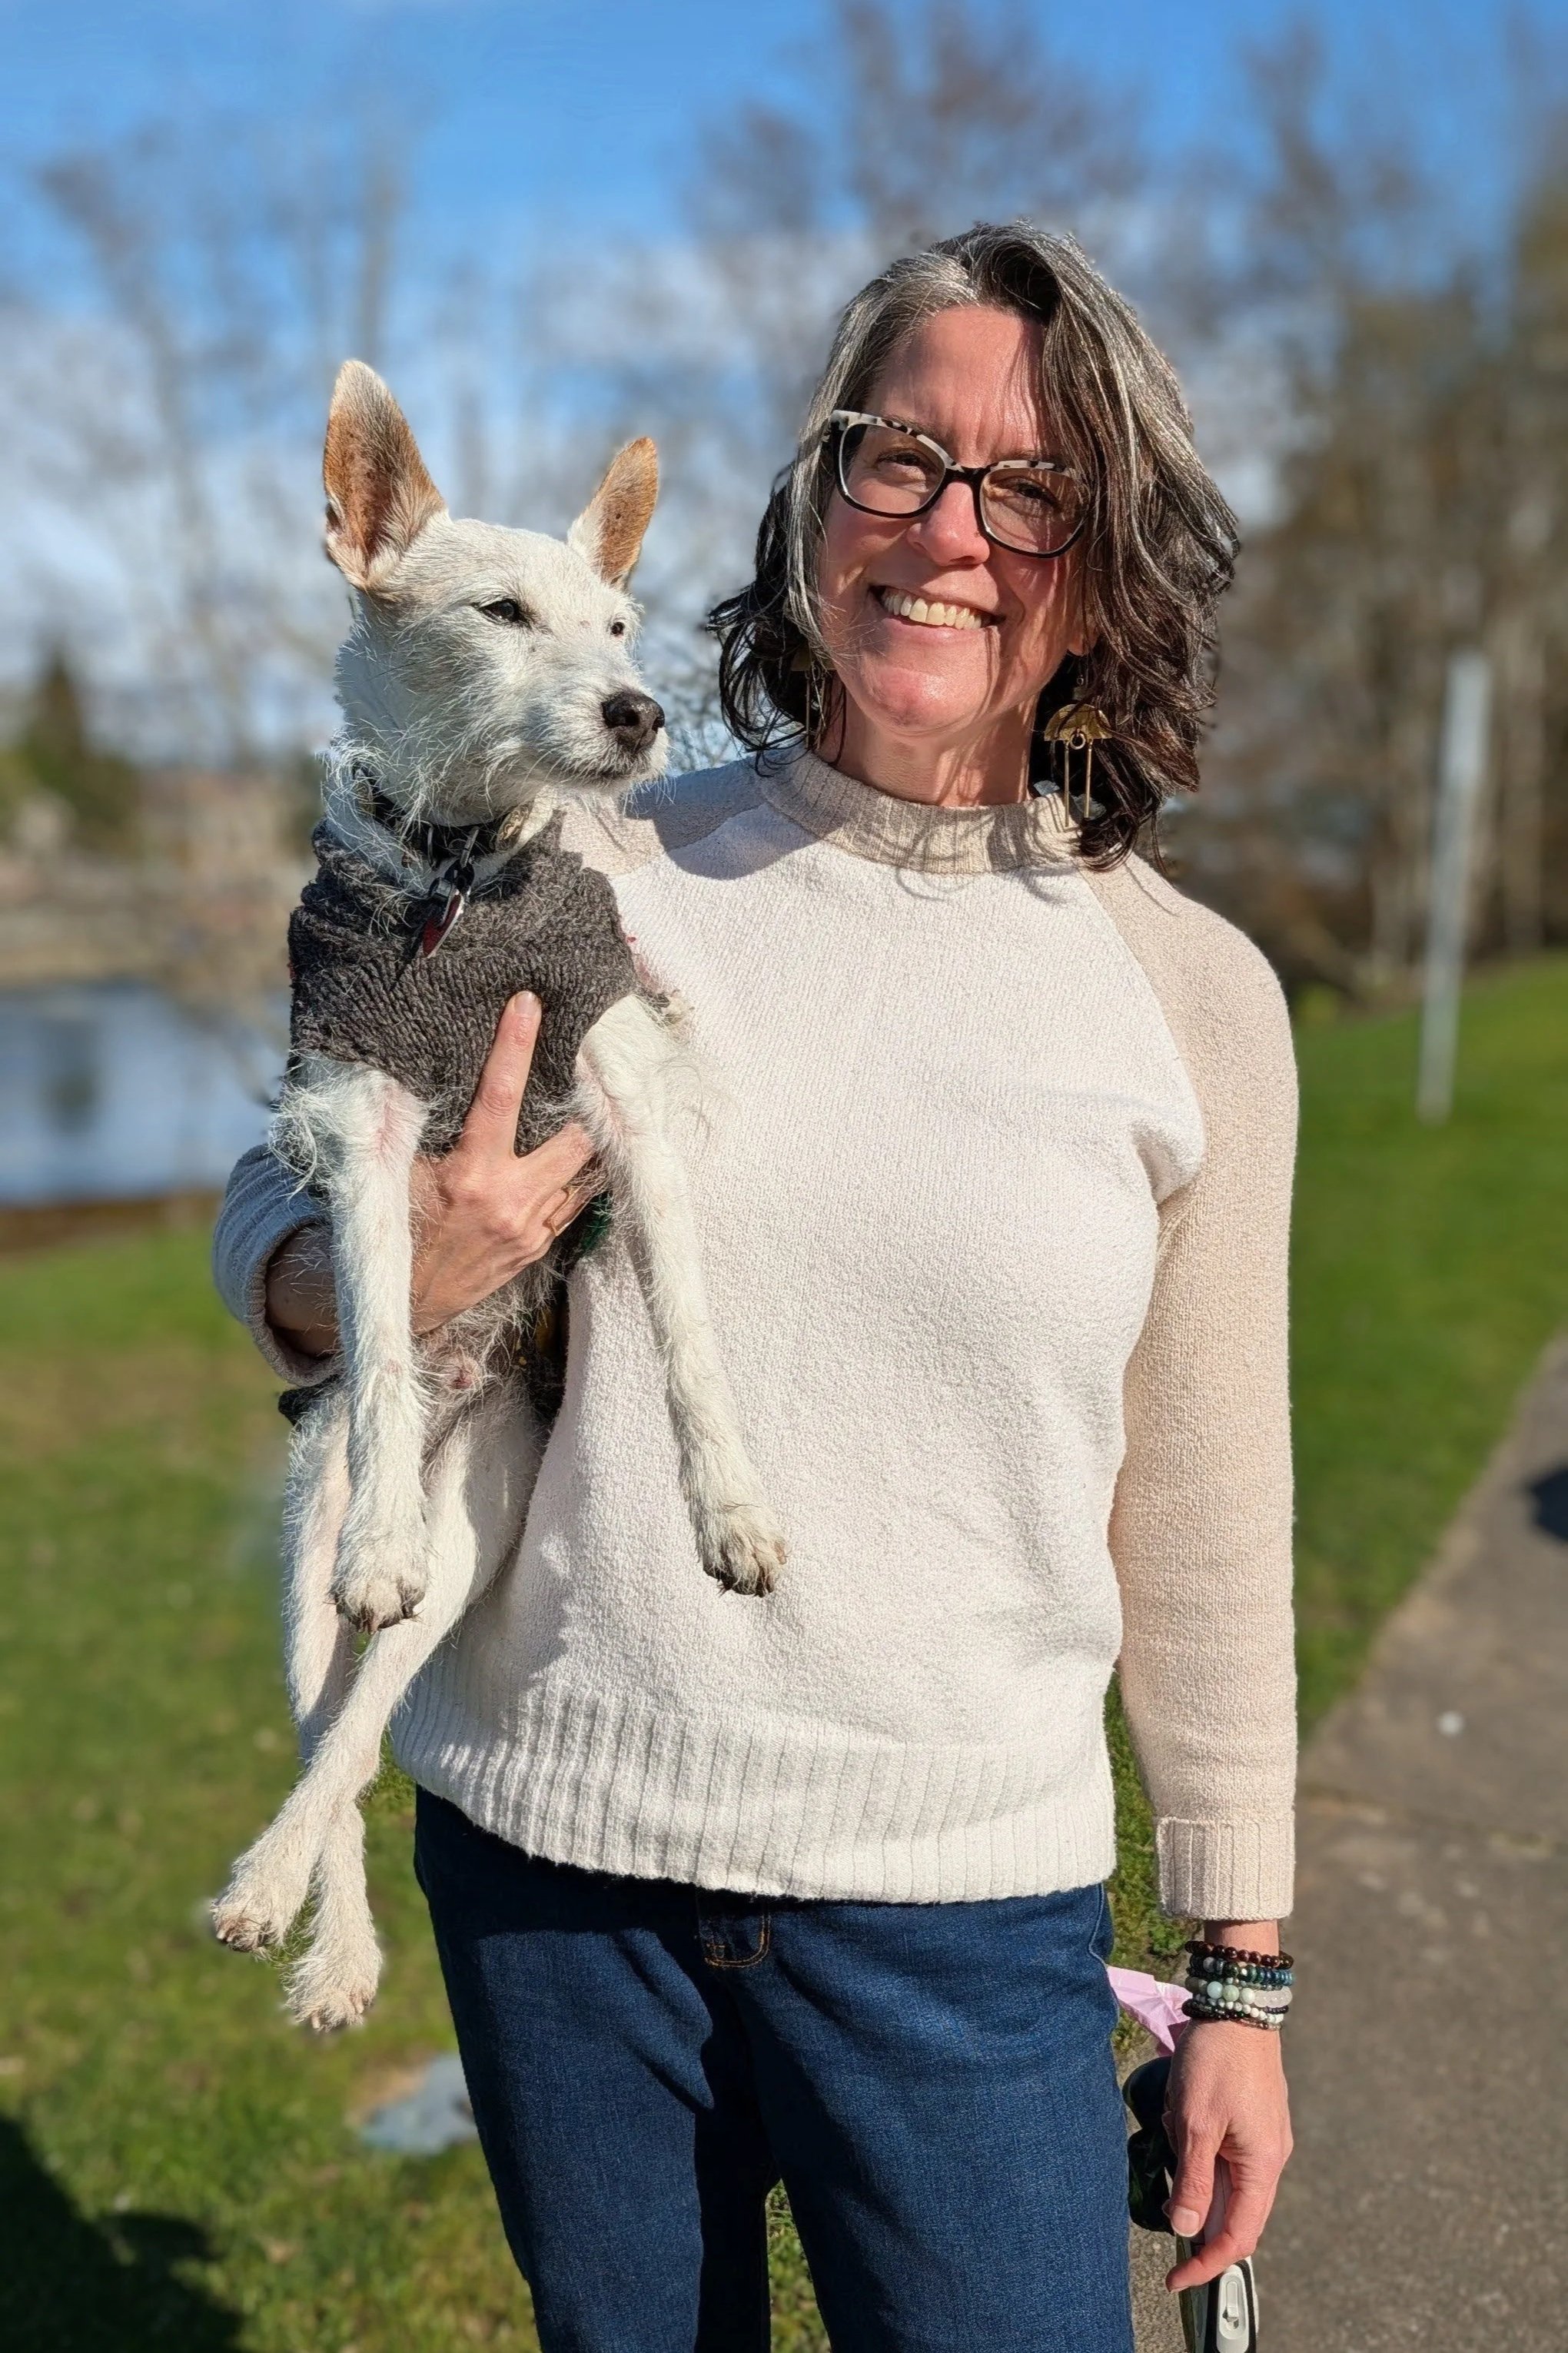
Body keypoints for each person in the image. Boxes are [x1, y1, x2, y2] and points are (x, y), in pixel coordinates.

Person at [214, 223, 1296, 2353]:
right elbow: (282, 1174)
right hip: (558, 1877)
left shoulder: (1192, 996)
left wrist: (1241, 1980)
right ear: (819, 499)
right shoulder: (592, 857)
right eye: (901, 456)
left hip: (965, 1921)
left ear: (1108, 560)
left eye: (1031, 485)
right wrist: (356, 1285)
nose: (950, 533)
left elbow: (1210, 1510)